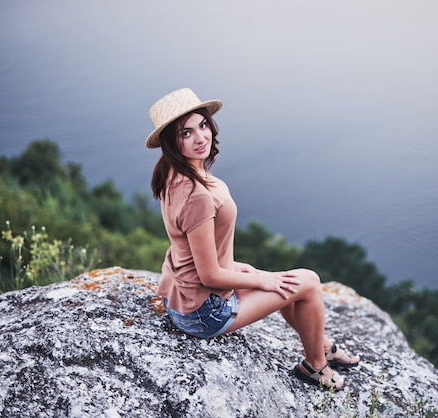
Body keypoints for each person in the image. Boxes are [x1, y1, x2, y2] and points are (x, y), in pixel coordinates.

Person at [146, 88, 359, 391]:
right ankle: (316, 366)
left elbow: (193, 252)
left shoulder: (169, 172)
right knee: (307, 281)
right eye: (186, 133)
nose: (200, 138)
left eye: (203, 126)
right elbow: (209, 275)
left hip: (181, 296)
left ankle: (320, 342)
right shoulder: (197, 196)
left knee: (282, 280)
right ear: (171, 142)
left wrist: (253, 274)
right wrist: (263, 281)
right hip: (203, 313)